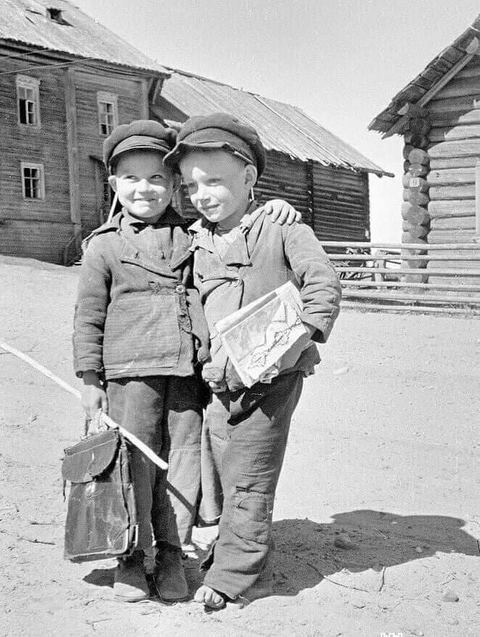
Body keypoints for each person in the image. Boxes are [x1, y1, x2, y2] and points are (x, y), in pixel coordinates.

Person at [72, 119, 300, 604]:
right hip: (127, 377)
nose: (145, 188)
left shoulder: (193, 235)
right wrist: (90, 377)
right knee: (131, 465)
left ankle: (172, 553)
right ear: (114, 184)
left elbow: (240, 229)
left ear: (174, 185)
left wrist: (276, 206)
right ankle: (131, 557)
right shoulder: (103, 246)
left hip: (185, 375)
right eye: (131, 178)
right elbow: (88, 316)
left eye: (158, 178)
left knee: (183, 466)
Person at [164, 113, 342, 609]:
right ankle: (228, 551)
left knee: (251, 475)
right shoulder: (192, 241)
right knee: (219, 472)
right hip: (218, 383)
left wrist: (295, 337)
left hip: (271, 383)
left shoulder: (282, 228)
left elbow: (323, 283)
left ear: (249, 179)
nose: (202, 194)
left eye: (215, 181)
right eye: (191, 185)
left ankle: (235, 578)